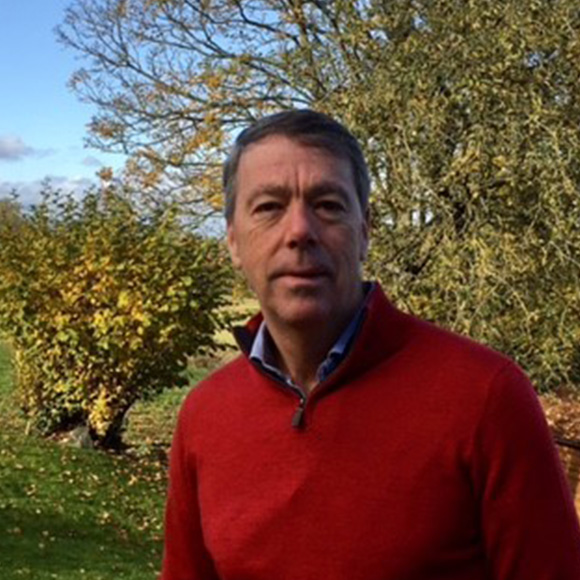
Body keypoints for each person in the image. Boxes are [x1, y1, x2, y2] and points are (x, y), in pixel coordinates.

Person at [160, 110, 580, 580]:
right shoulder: (204, 417)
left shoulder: (486, 397)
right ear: (234, 241)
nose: (299, 231)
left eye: (328, 204)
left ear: (365, 230)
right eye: (269, 207)